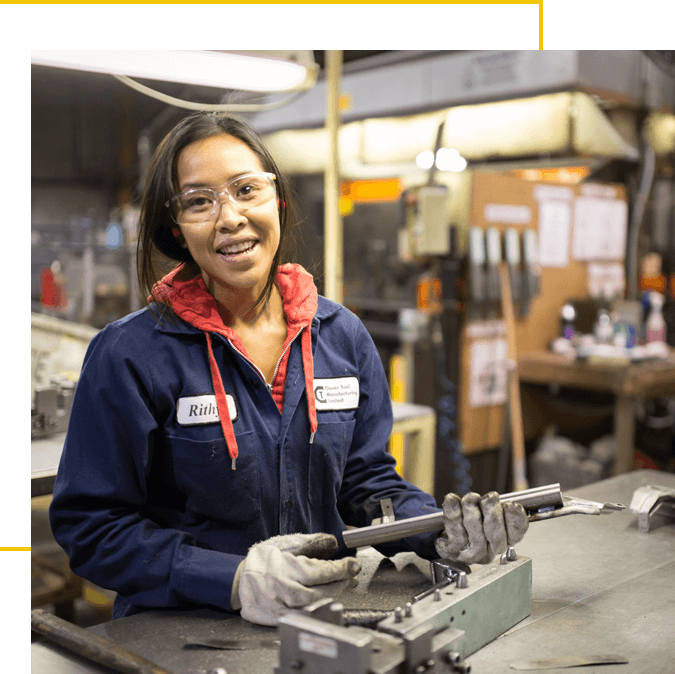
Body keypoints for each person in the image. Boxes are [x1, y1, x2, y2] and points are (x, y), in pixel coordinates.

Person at [49, 111, 527, 627]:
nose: (229, 217)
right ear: (176, 228)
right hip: (181, 631)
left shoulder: (341, 336)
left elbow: (366, 484)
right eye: (199, 201)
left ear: (277, 200)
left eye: (245, 189)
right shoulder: (129, 354)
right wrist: (229, 579)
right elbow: (92, 527)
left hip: (321, 617)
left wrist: (437, 530)